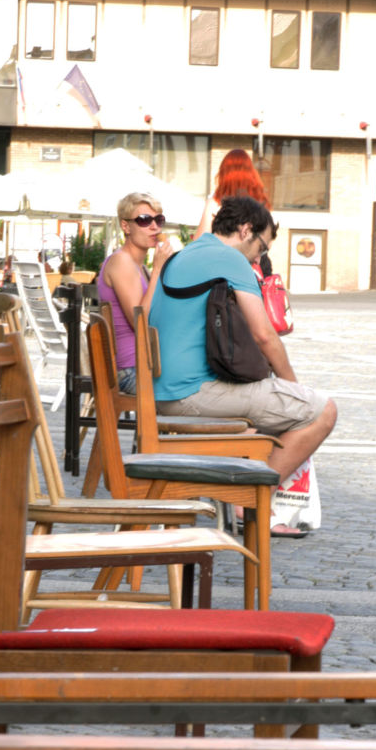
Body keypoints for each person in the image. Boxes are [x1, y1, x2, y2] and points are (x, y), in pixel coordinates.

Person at [149, 196, 336, 526]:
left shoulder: (183, 255)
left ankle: (244, 489)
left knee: (266, 413)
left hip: (163, 391)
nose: (259, 257)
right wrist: (293, 388)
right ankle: (250, 501)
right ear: (246, 230)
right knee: (321, 412)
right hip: (193, 394)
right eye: (262, 247)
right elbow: (264, 335)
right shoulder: (231, 260)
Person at [96, 192, 173, 394]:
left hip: (145, 364)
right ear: (126, 226)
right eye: (144, 220)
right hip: (132, 370)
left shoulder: (141, 268)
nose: (154, 227)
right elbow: (140, 321)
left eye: (158, 220)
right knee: (201, 392)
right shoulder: (122, 261)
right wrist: (158, 269)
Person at [195, 148, 269, 239]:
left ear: (223, 173)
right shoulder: (260, 204)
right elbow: (267, 240)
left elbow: (199, 240)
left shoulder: (215, 203)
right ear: (251, 173)